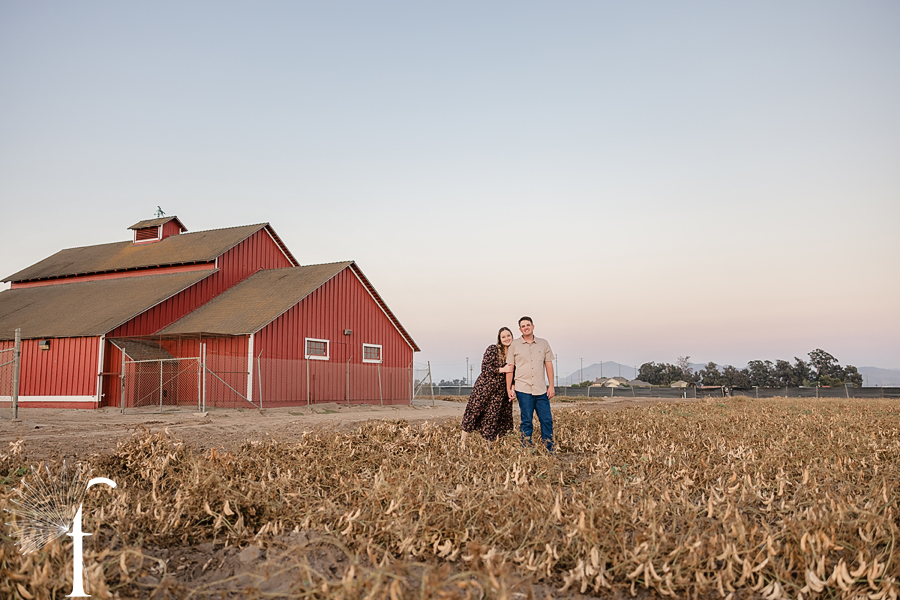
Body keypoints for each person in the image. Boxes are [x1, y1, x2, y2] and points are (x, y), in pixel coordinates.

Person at [506, 316, 555, 451]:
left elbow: (549, 365)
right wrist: (509, 388)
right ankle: (527, 449)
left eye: (528, 325)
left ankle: (549, 449)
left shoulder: (543, 343)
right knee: (526, 421)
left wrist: (551, 386)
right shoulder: (514, 345)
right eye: (523, 326)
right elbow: (510, 368)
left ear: (533, 326)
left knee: (546, 420)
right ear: (520, 329)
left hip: (541, 389)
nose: (526, 328)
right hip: (523, 388)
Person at [460, 327, 516, 444]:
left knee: (493, 417)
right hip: (484, 388)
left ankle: (488, 445)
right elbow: (485, 368)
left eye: (508, 336)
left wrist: (512, 388)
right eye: (503, 337)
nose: (506, 338)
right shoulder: (492, 349)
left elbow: (515, 373)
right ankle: (463, 442)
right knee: (474, 412)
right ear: (499, 339)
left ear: (512, 336)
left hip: (500, 391)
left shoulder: (515, 353)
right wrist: (502, 369)